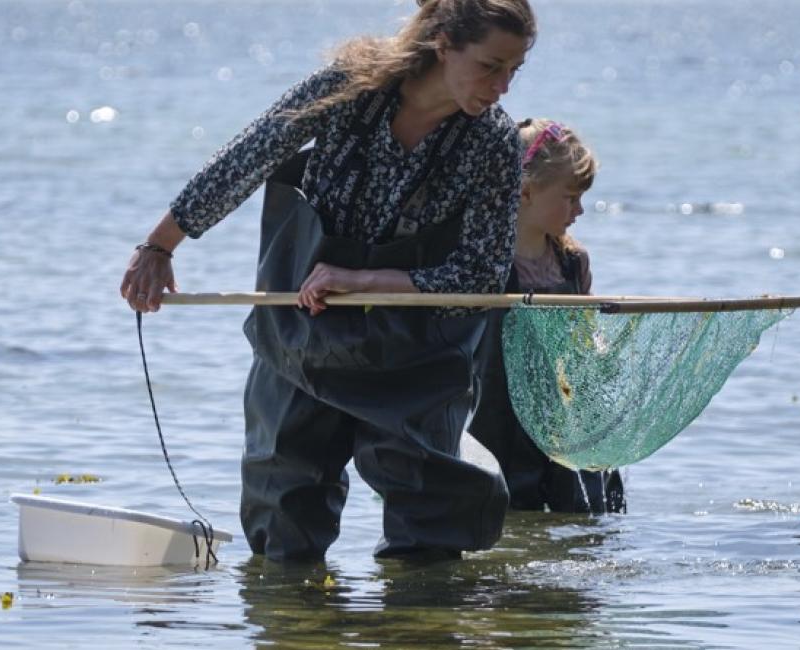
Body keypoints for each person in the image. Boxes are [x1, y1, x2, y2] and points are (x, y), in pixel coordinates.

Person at [119, 0, 537, 561]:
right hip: (301, 334)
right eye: (491, 65)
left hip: (417, 354)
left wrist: (366, 278)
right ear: (442, 42)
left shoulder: (493, 143)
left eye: (515, 70)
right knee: (285, 516)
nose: (503, 86)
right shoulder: (348, 87)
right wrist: (160, 244)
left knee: (431, 530)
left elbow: (482, 278)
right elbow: (247, 157)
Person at [469, 118, 625, 514]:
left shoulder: (572, 262)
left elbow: (585, 336)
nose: (580, 209)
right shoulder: (487, 265)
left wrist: (603, 349)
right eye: (570, 197)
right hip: (497, 421)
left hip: (564, 420)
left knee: (576, 521)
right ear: (525, 193)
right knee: (508, 519)